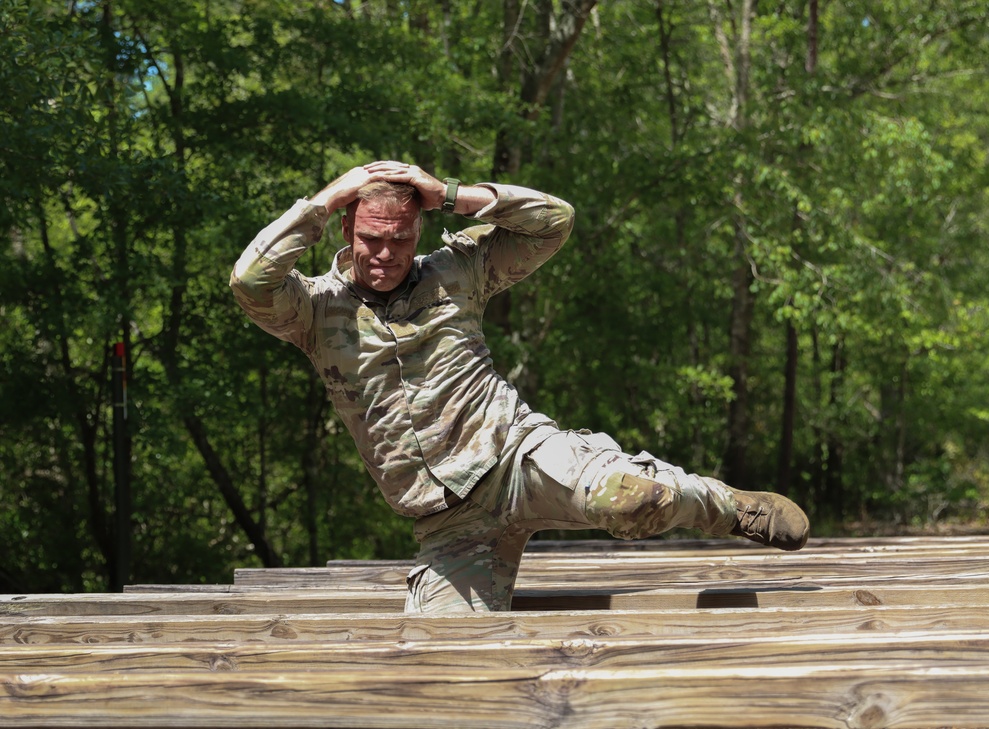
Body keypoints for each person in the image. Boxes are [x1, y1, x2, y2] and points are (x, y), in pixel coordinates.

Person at [230, 160, 809, 613]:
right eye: (371, 239)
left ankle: (728, 507)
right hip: (447, 522)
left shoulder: (455, 271)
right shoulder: (313, 309)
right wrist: (326, 197)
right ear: (348, 228)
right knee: (443, 674)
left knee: (633, 500)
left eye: (400, 240)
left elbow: (554, 222)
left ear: (418, 231)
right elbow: (250, 280)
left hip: (517, 457)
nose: (385, 254)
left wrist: (452, 194)